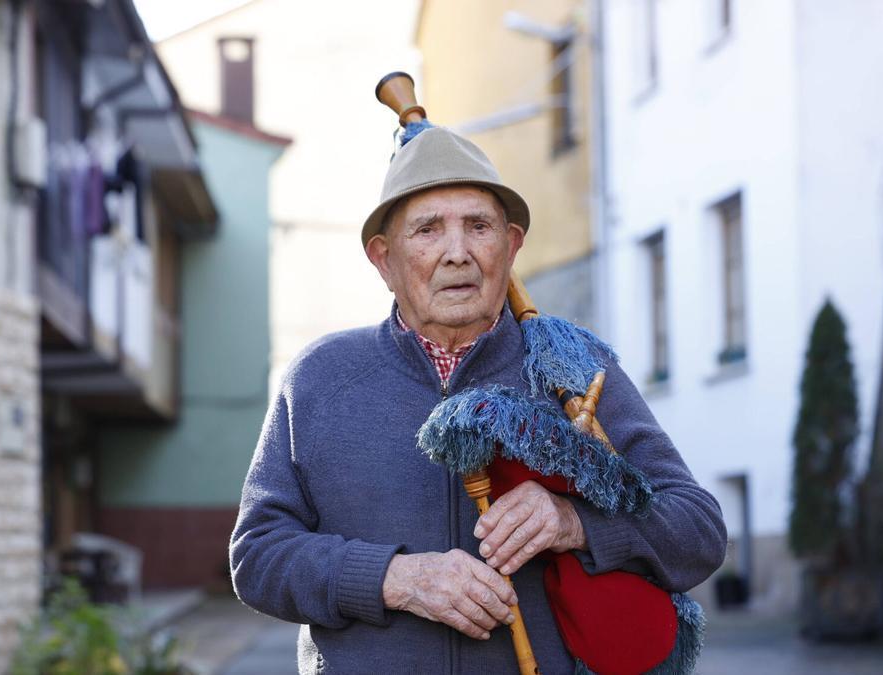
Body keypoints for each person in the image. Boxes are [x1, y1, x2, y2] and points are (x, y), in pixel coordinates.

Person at [230, 124, 727, 674]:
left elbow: (698, 530)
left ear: (511, 246)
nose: (457, 253)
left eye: (478, 226)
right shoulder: (321, 379)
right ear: (383, 259)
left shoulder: (573, 371)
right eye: (427, 230)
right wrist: (394, 579)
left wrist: (572, 522)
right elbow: (257, 556)